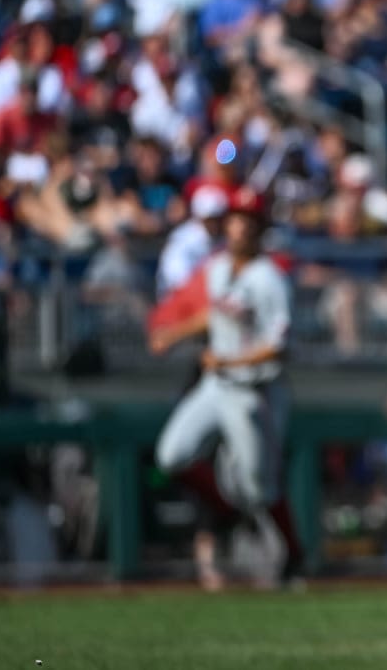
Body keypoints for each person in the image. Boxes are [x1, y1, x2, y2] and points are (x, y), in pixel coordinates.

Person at [147, 188, 306, 588]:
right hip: (215, 386)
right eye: (235, 220)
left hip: (254, 392)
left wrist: (229, 360)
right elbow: (212, 313)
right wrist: (174, 333)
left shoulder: (271, 280)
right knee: (171, 455)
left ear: (259, 229)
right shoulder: (217, 268)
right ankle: (225, 512)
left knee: (258, 487)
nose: (239, 228)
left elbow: (278, 348)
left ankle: (294, 553)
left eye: (248, 222)